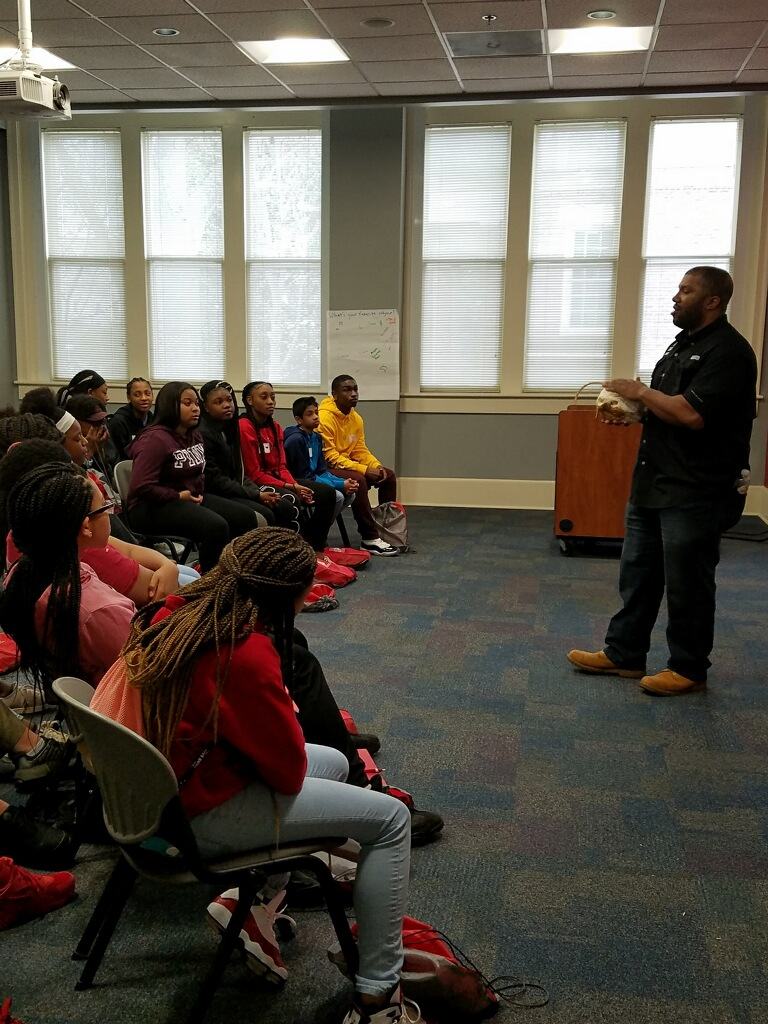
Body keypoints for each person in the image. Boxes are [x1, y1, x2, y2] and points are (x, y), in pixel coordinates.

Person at [108, 528, 415, 1021]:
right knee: (391, 822)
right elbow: (288, 771)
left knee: (335, 763)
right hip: (201, 816)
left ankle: (251, 903)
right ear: (286, 596)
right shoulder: (245, 651)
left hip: (165, 792)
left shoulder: (178, 614)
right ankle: (380, 997)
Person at [567, 267, 758, 696]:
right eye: (677, 289)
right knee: (638, 575)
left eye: (685, 291)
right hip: (654, 482)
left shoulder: (728, 352)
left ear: (712, 301)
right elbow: (666, 409)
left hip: (696, 490)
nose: (676, 297)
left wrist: (638, 391)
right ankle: (625, 654)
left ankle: (688, 668)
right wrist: (630, 410)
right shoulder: (679, 347)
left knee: (688, 584)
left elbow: (692, 414)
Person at [0, 462, 136, 690]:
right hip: (131, 701)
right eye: (105, 507)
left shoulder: (22, 572)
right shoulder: (97, 611)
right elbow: (150, 668)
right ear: (86, 527)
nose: (109, 512)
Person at [127, 382, 263, 572]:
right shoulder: (154, 439)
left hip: (188, 498)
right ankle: (210, 585)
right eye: (187, 403)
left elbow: (198, 475)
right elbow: (141, 486)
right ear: (169, 405)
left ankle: (237, 573)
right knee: (216, 527)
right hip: (151, 507)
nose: (195, 409)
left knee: (245, 517)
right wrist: (176, 496)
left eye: (196, 404)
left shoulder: (194, 436)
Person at [239, 382, 337, 557]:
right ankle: (298, 553)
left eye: (273, 397)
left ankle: (317, 548)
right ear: (249, 400)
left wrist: (294, 484)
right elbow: (254, 474)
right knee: (291, 500)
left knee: (327, 493)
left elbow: (281, 466)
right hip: (256, 483)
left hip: (281, 479)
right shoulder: (244, 426)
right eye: (264, 397)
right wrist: (292, 488)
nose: (271, 402)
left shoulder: (275, 426)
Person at [197, 380, 296, 531]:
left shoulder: (229, 429)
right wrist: (256, 495)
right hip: (213, 493)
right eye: (218, 402)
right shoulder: (204, 434)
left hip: (233, 488)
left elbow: (239, 472)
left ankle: (278, 551)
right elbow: (216, 481)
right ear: (206, 407)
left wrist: (258, 492)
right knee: (264, 515)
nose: (227, 405)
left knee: (283, 506)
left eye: (229, 400)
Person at [317, 376, 398, 556]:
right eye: (347, 390)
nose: (353, 394)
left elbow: (359, 450)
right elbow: (329, 457)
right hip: (325, 469)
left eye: (355, 389)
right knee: (359, 479)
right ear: (334, 395)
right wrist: (363, 469)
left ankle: (388, 531)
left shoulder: (356, 418)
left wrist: (375, 465)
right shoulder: (324, 418)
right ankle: (369, 538)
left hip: (346, 465)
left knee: (388, 476)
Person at [284, 396, 358, 520]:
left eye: (316, 412)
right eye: (309, 414)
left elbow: (321, 470)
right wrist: (339, 485)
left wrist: (343, 482)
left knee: (351, 495)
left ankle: (317, 530)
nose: (316, 416)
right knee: (337, 496)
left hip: (313, 479)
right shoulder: (295, 440)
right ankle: (315, 533)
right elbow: (305, 476)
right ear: (298, 419)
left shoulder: (317, 437)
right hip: (298, 481)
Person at [109, 377, 154, 461]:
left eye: (148, 394)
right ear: (129, 398)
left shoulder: (155, 421)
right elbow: (116, 457)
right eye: (137, 395)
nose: (144, 398)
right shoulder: (118, 422)